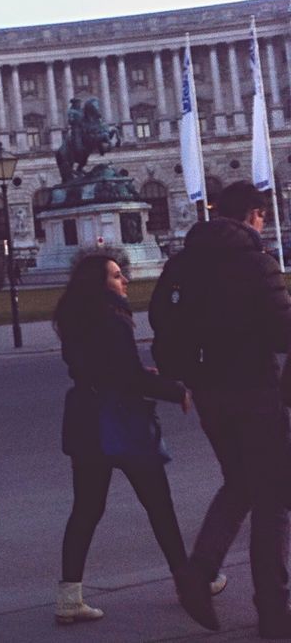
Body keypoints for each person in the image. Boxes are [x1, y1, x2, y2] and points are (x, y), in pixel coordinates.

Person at [152, 181, 291, 638]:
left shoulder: (181, 264)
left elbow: (161, 324)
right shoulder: (257, 263)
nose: (264, 222)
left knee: (241, 483)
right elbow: (281, 333)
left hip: (210, 395)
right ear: (252, 215)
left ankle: (200, 570)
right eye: (263, 215)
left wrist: (190, 372)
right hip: (256, 391)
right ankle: (272, 610)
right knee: (271, 499)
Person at [54, 255, 197, 626]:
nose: (125, 281)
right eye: (117, 276)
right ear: (99, 283)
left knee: (86, 509)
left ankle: (69, 596)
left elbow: (103, 368)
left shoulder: (74, 317)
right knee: (159, 506)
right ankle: (188, 583)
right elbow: (128, 377)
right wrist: (173, 389)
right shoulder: (112, 319)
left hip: (86, 418)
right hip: (121, 421)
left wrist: (133, 372)